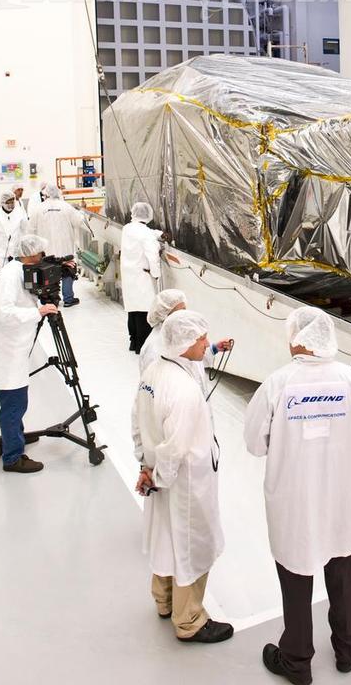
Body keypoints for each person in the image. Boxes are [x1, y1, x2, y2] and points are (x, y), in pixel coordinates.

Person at [244, 307, 351, 685]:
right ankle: (348, 647)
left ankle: (296, 661)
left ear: (300, 338)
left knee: (296, 581)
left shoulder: (277, 384)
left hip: (295, 504)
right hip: (341, 499)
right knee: (343, 575)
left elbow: (254, 443)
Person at [132, 310, 233, 644]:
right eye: (202, 339)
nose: (206, 343)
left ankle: (163, 601)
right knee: (192, 546)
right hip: (185, 481)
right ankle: (189, 620)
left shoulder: (154, 372)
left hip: (158, 474)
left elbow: (136, 420)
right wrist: (159, 477)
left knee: (165, 538)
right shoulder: (184, 389)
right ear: (186, 342)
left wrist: (145, 469)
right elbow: (175, 448)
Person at [0, 233, 58, 473]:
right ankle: (12, 457)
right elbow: (5, 313)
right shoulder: (10, 276)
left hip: (14, 347)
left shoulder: (20, 270)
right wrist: (38, 313)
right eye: (40, 254)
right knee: (14, 403)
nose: (42, 258)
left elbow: (25, 297)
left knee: (16, 401)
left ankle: (15, 435)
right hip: (7, 351)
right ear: (31, 254)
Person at [140, 289, 234, 388]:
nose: (184, 315)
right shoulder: (154, 349)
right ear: (165, 315)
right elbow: (154, 387)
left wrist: (214, 348)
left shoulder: (177, 335)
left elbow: (190, 361)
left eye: (184, 310)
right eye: (180, 311)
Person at [28, 185, 86, 307]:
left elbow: (31, 229)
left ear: (46, 195)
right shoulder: (66, 207)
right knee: (67, 270)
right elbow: (79, 221)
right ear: (58, 193)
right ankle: (68, 299)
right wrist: (81, 210)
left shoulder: (38, 209)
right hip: (65, 247)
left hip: (45, 248)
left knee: (48, 273)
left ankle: (50, 300)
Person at [121, 202, 162, 354]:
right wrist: (156, 274)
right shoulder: (145, 234)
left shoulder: (127, 228)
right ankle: (142, 346)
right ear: (148, 215)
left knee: (132, 309)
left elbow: (145, 233)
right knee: (144, 310)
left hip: (129, 273)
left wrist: (159, 234)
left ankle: (133, 342)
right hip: (143, 275)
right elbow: (152, 255)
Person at [0, 189, 28, 271]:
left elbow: (26, 231)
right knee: (0, 276)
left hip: (15, 253)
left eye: (12, 202)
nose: (10, 205)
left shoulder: (20, 213)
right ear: (2, 203)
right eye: (8, 203)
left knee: (16, 275)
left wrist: (26, 248)